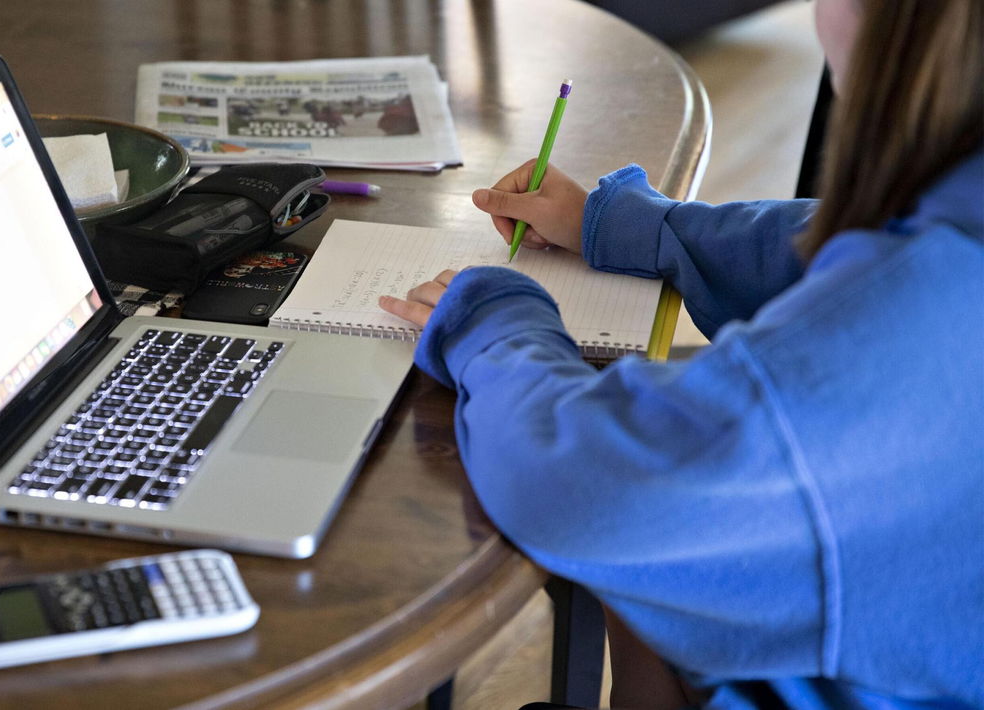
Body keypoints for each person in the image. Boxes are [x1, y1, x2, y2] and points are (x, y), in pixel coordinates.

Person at [379, 0, 983, 708]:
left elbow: (587, 484)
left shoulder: (897, 336)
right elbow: (833, 239)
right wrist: (641, 227)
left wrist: (493, 321)